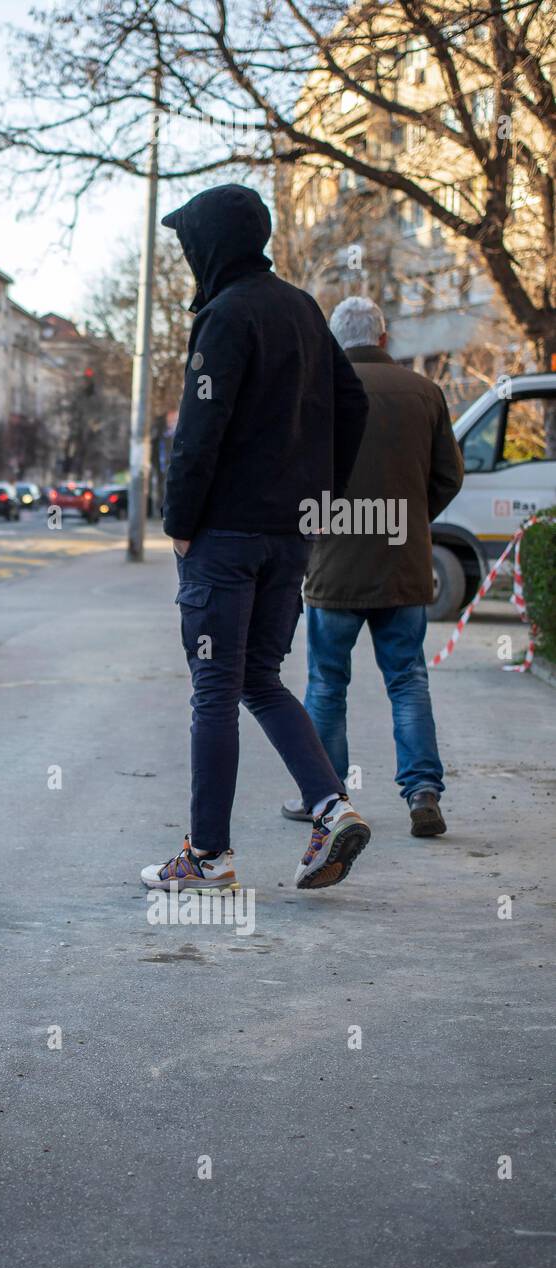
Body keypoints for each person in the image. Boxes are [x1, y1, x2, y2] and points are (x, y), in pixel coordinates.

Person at [140, 184, 372, 893]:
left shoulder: (226, 315)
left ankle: (208, 857)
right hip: (289, 536)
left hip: (227, 537)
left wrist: (179, 525)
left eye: (189, 245)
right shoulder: (301, 307)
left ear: (211, 244)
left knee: (214, 690)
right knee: (259, 680)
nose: (186, 258)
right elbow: (353, 401)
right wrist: (321, 497)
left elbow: (199, 435)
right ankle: (330, 806)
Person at [281, 297, 463, 837]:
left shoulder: (314, 392)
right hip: (402, 569)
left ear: (334, 342)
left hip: (333, 570)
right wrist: (409, 522)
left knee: (326, 684)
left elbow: (292, 479)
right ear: (384, 339)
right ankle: (422, 792)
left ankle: (326, 799)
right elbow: (449, 477)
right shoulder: (425, 393)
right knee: (407, 680)